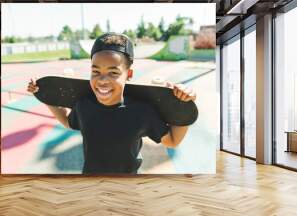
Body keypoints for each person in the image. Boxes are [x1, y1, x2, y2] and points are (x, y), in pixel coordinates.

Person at [27, 33, 196, 174]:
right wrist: (46, 96)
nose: (102, 80)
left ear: (129, 74)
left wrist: (182, 105)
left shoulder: (142, 112)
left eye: (113, 72)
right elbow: (67, 121)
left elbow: (172, 141)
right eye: (96, 71)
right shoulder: (84, 105)